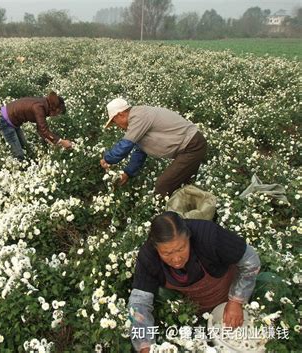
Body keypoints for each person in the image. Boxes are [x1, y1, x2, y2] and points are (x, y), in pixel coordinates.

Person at [128, 211, 260, 353]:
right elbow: (139, 303)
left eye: (181, 248)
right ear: (156, 248)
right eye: (167, 253)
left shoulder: (209, 236)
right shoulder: (148, 256)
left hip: (228, 292)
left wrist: (236, 301)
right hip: (195, 309)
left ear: (189, 237)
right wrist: (145, 346)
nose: (177, 258)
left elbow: (251, 261)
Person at [100, 98, 207, 197]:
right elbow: (140, 151)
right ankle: (186, 212)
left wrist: (107, 159)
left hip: (192, 146)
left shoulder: (138, 116)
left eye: (114, 121)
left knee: (163, 186)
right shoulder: (138, 119)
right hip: (189, 146)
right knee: (182, 184)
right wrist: (128, 172)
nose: (116, 125)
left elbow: (125, 146)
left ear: (120, 115)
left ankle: (165, 215)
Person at [0, 91, 73, 160]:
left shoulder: (44, 104)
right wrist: (61, 141)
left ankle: (26, 165)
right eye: (58, 113)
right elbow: (44, 130)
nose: (56, 116)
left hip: (13, 120)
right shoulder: (39, 108)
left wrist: (54, 143)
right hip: (6, 122)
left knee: (25, 147)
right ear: (54, 107)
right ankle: (19, 170)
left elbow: (40, 129)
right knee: (19, 155)